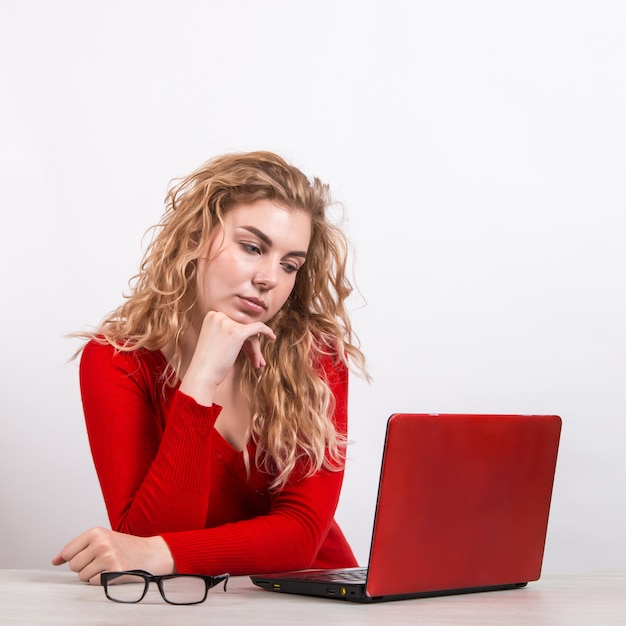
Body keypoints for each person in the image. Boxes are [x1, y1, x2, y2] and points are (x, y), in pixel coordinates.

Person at [52, 151, 367, 585]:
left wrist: (159, 552)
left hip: (317, 602)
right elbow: (144, 538)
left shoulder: (315, 356)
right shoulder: (116, 362)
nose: (269, 279)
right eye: (252, 247)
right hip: (194, 609)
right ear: (195, 237)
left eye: (290, 264)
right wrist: (200, 380)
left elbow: (301, 537)